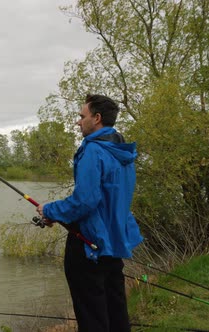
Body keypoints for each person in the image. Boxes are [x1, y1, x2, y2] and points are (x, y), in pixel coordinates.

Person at [36, 94, 143, 332]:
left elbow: (86, 200)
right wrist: (60, 216)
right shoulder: (123, 151)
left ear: (96, 118)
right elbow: (107, 200)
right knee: (116, 312)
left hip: (89, 246)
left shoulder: (93, 150)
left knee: (92, 317)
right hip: (115, 243)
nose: (78, 122)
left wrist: (50, 210)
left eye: (81, 116)